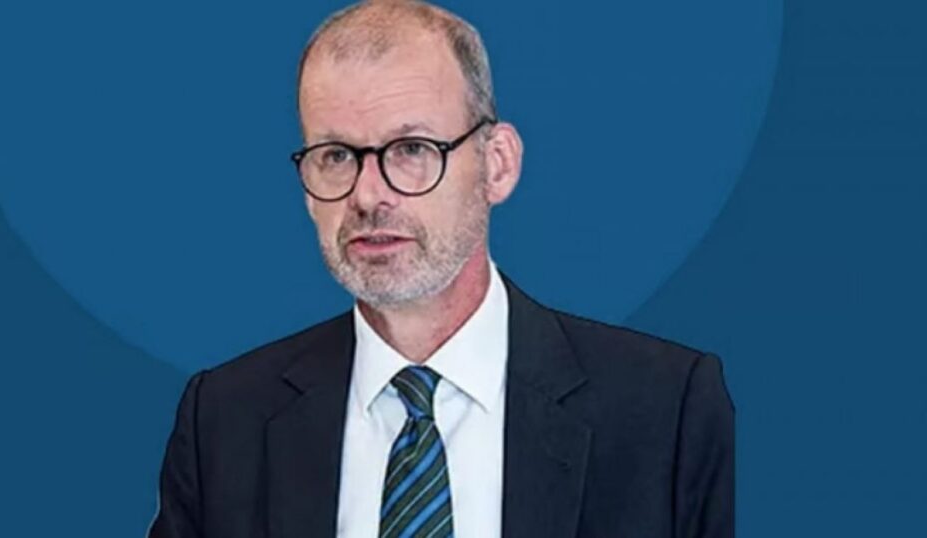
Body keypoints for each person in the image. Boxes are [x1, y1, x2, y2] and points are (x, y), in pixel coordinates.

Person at [147, 1, 734, 536]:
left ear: (497, 165)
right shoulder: (224, 421)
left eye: (412, 150)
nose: (368, 195)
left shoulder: (667, 411)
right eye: (336, 156)